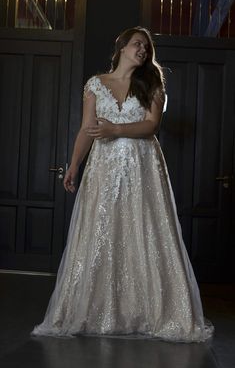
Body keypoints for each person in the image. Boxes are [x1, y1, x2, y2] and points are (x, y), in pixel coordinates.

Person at [31, 26, 214, 342]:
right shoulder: (95, 85)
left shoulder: (152, 84)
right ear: (121, 47)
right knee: (103, 231)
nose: (143, 50)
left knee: (144, 231)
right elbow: (87, 129)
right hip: (104, 169)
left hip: (142, 170)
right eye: (137, 44)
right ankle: (100, 311)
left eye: (146, 47)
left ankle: (147, 310)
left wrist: (116, 130)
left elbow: (151, 126)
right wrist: (73, 165)